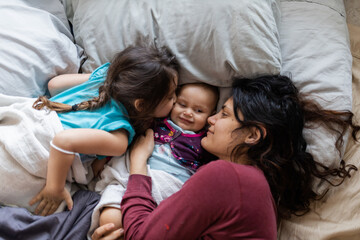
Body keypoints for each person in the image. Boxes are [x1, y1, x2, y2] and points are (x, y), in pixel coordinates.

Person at [92, 75, 359, 240]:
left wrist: (138, 165)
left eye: (224, 115)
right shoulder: (256, 191)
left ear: (252, 135)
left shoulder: (227, 176)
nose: (210, 119)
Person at [28, 45, 179, 216]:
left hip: (31, 119)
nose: (175, 100)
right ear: (141, 105)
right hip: (41, 144)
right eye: (170, 96)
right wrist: (55, 188)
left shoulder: (103, 76)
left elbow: (54, 85)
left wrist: (106, 78)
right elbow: (63, 141)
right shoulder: (118, 136)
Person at [93, 82, 219, 233]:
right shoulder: (156, 122)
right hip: (130, 175)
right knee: (110, 220)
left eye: (198, 110)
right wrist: (104, 158)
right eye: (182, 104)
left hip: (169, 185)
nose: (188, 112)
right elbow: (128, 137)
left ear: (210, 116)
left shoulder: (205, 142)